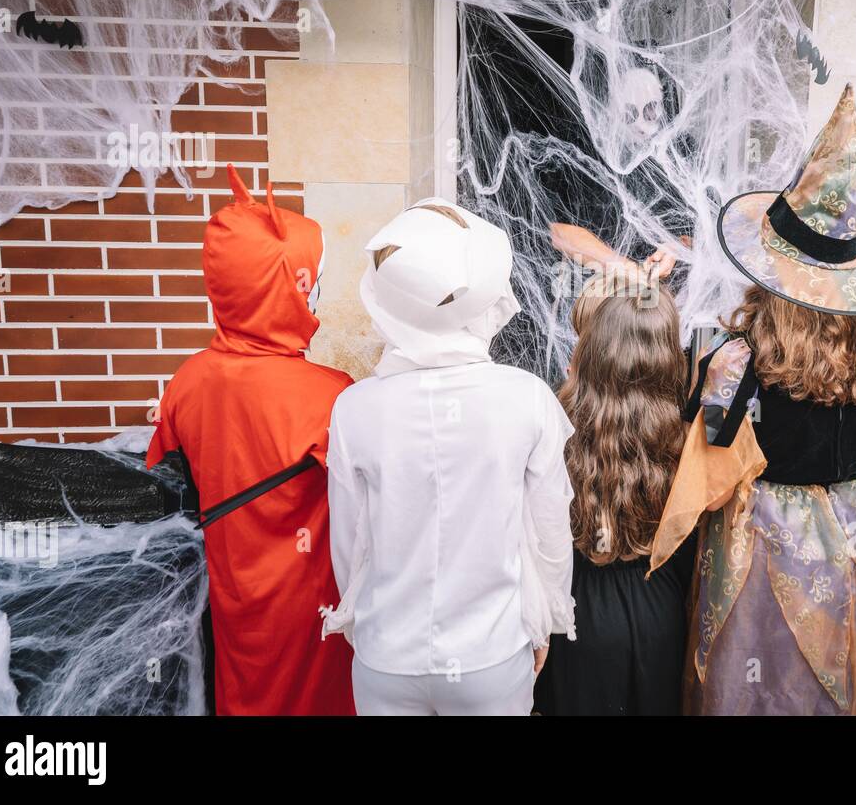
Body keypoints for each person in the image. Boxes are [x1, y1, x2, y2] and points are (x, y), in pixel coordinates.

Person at [652, 84, 856, 715]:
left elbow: (703, 483)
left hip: (771, 544)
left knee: (772, 689)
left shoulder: (739, 363)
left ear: (776, 270)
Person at [321, 198, 576, 716]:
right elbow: (551, 533)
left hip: (387, 657)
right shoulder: (527, 398)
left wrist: (368, 625)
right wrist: (546, 617)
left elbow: (350, 543)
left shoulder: (353, 409)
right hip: (492, 655)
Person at [146, 165, 354, 716]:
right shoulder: (331, 395)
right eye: (314, 280)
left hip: (230, 596)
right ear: (288, 287)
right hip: (309, 611)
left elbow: (172, 473)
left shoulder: (186, 381)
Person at [532, 270, 694, 716]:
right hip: (658, 609)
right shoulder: (683, 435)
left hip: (574, 612)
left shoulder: (556, 422)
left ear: (592, 348)